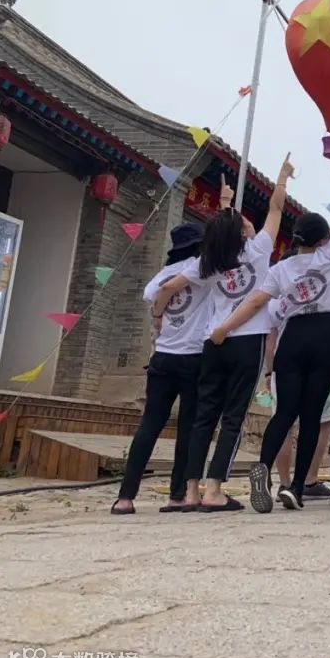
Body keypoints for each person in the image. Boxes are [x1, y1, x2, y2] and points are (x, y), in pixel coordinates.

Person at [210, 169, 330, 512]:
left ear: (297, 239)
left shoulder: (281, 269)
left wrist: (224, 327)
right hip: (325, 335)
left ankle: (264, 468)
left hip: (293, 337)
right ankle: (297, 487)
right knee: (312, 416)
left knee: (285, 413)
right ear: (324, 239)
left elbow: (256, 301)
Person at [152, 155, 292, 512]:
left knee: (204, 416)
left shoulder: (207, 261)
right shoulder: (259, 250)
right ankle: (215, 490)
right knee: (233, 417)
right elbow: (276, 209)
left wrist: (158, 317)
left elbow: (168, 287)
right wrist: (282, 177)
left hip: (212, 341)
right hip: (248, 341)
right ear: (242, 232)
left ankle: (191, 491)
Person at [112, 214, 212, 515]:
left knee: (150, 425)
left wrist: (159, 312)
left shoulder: (163, 274)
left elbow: (151, 294)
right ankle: (177, 495)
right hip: (194, 356)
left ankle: (125, 497)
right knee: (188, 428)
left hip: (163, 356)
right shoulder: (204, 268)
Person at [264, 294, 330, 501]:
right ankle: (308, 480)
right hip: (317, 362)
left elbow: (270, 340)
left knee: (283, 421)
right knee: (320, 421)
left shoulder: (275, 304)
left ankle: (284, 482)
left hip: (283, 364)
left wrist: (269, 372)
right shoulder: (323, 295)